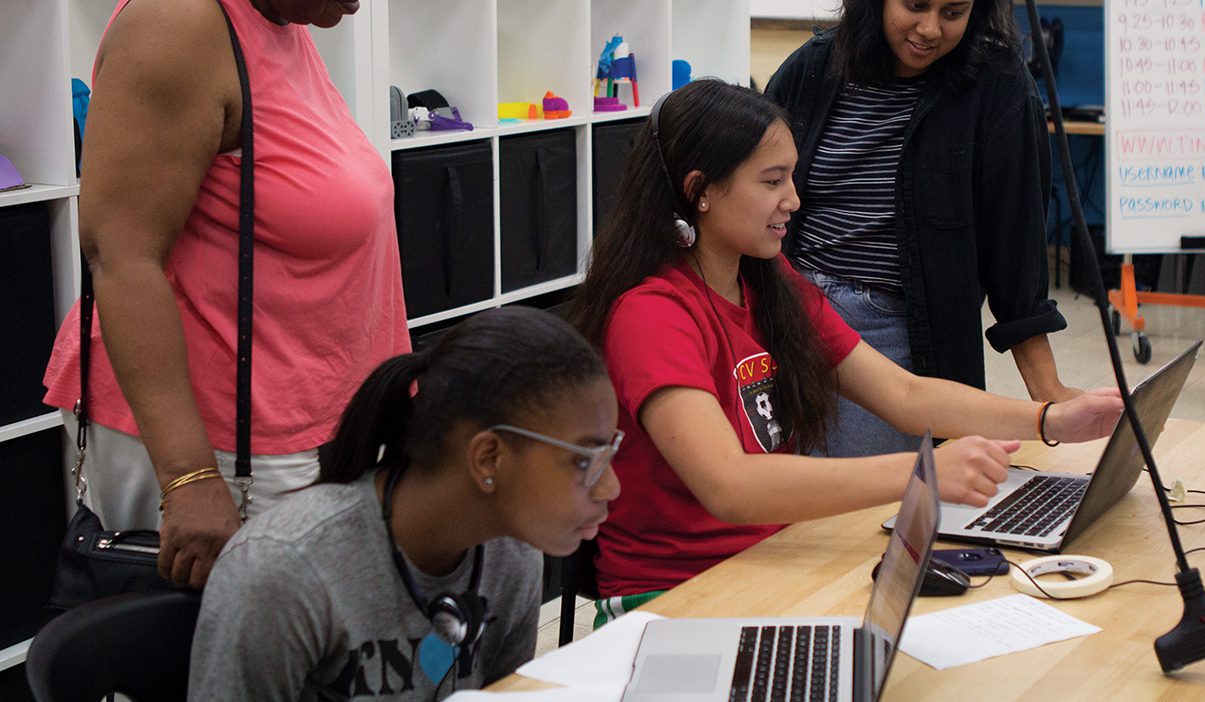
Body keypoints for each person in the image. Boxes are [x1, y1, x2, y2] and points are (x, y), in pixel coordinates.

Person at [569, 79, 1122, 622]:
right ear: (700, 191)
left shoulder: (766, 281)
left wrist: (1053, 419)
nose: (794, 199)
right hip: (671, 603)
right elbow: (728, 485)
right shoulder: (653, 313)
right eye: (772, 181)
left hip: (764, 567)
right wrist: (921, 472)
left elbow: (902, 393)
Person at [41, 0, 408, 588]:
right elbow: (122, 255)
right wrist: (188, 478)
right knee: (215, 669)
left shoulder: (282, 26)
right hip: (222, 445)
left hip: (300, 426)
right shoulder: (177, 25)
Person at [188, 307, 622, 699]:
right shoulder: (282, 570)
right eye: (587, 460)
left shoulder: (513, 552)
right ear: (489, 457)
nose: (611, 488)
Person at [765, 0, 1078, 458]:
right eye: (915, 6)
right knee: (782, 500)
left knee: (867, 513)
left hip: (891, 330)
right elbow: (751, 196)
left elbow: (1015, 250)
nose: (930, 29)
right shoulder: (811, 68)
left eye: (953, 12)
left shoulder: (998, 86)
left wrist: (1048, 392)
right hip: (785, 313)